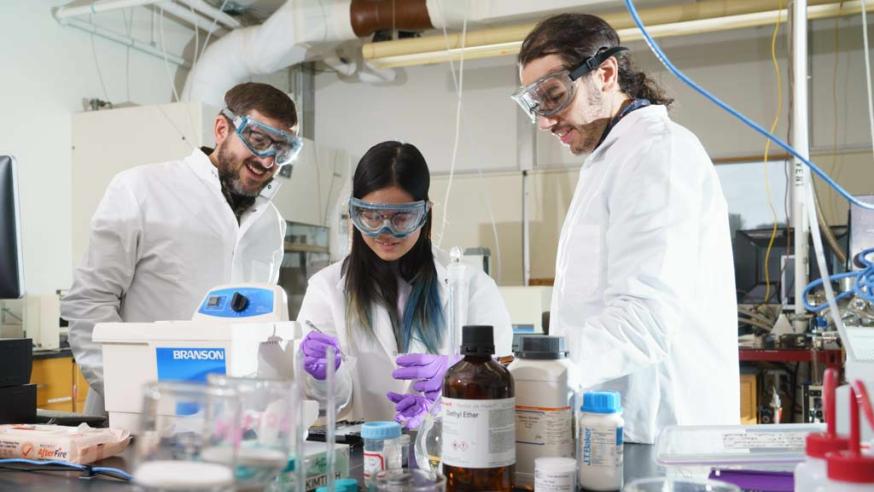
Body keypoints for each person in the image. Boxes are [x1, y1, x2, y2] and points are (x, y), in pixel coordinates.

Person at [513, 14, 739, 443]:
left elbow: (644, 320)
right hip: (617, 431)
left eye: (554, 96)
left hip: (661, 434)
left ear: (606, 74)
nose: (545, 120)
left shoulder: (658, 154)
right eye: (536, 104)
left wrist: (533, 374)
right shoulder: (612, 158)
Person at [61, 82, 301, 415]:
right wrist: (132, 395)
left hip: (227, 423)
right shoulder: (141, 190)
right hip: (136, 417)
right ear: (221, 129)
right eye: (258, 140)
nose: (267, 159)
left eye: (283, 149)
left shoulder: (271, 223)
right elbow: (88, 301)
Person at [296, 141, 512, 428]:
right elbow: (324, 407)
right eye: (371, 216)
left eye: (402, 217)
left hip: (449, 449)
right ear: (355, 213)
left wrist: (457, 377)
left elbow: (502, 386)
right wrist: (323, 378)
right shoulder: (326, 287)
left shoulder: (473, 286)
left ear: (425, 213)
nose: (385, 231)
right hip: (362, 454)